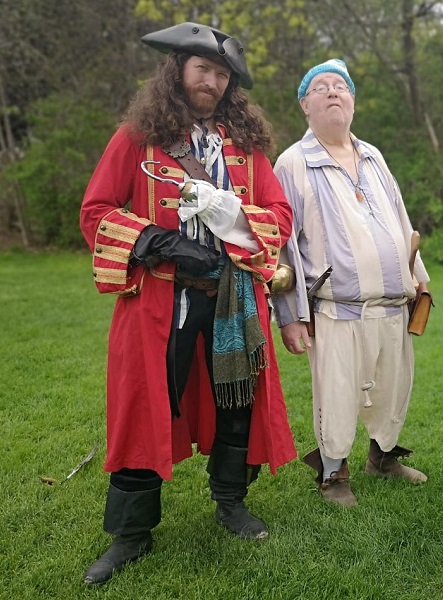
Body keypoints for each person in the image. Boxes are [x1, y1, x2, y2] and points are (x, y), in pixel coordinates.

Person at [79, 22, 297, 585]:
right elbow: (97, 210)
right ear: (177, 70)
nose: (211, 80)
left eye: (221, 73)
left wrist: (234, 224)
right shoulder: (137, 137)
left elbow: (280, 215)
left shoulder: (245, 149)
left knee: (236, 398)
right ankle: (131, 535)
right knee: (143, 407)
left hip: (232, 298)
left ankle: (231, 503)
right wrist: (160, 242)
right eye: (202, 68)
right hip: (160, 300)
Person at [272, 59, 429, 507]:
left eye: (341, 86)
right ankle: (332, 473)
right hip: (335, 307)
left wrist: (419, 282)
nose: (332, 92)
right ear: (306, 104)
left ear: (353, 101)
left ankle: (381, 457)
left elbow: (401, 219)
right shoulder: (294, 162)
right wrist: (289, 316)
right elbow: (282, 244)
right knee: (338, 393)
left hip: (393, 304)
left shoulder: (373, 155)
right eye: (320, 87)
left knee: (393, 386)